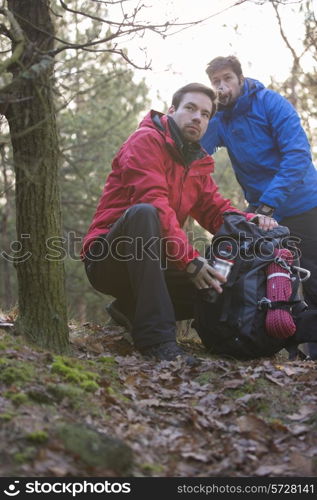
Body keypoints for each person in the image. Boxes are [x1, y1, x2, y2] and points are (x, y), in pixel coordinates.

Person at [81, 82, 277, 365]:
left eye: (206, 114)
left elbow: (215, 210)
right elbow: (155, 202)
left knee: (219, 282)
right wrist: (189, 259)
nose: (198, 117)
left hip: (153, 264)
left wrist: (250, 220)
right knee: (145, 213)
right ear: (172, 111)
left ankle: (129, 308)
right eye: (190, 108)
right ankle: (157, 341)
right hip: (108, 258)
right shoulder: (145, 140)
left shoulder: (196, 163)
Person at [201, 56, 317, 360]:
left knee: (313, 279)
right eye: (216, 82)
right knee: (260, 278)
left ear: (240, 78)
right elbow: (196, 150)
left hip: (304, 205)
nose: (222, 87)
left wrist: (268, 203)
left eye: (227, 79)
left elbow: (298, 154)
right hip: (262, 212)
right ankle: (260, 341)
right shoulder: (220, 118)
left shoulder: (270, 103)